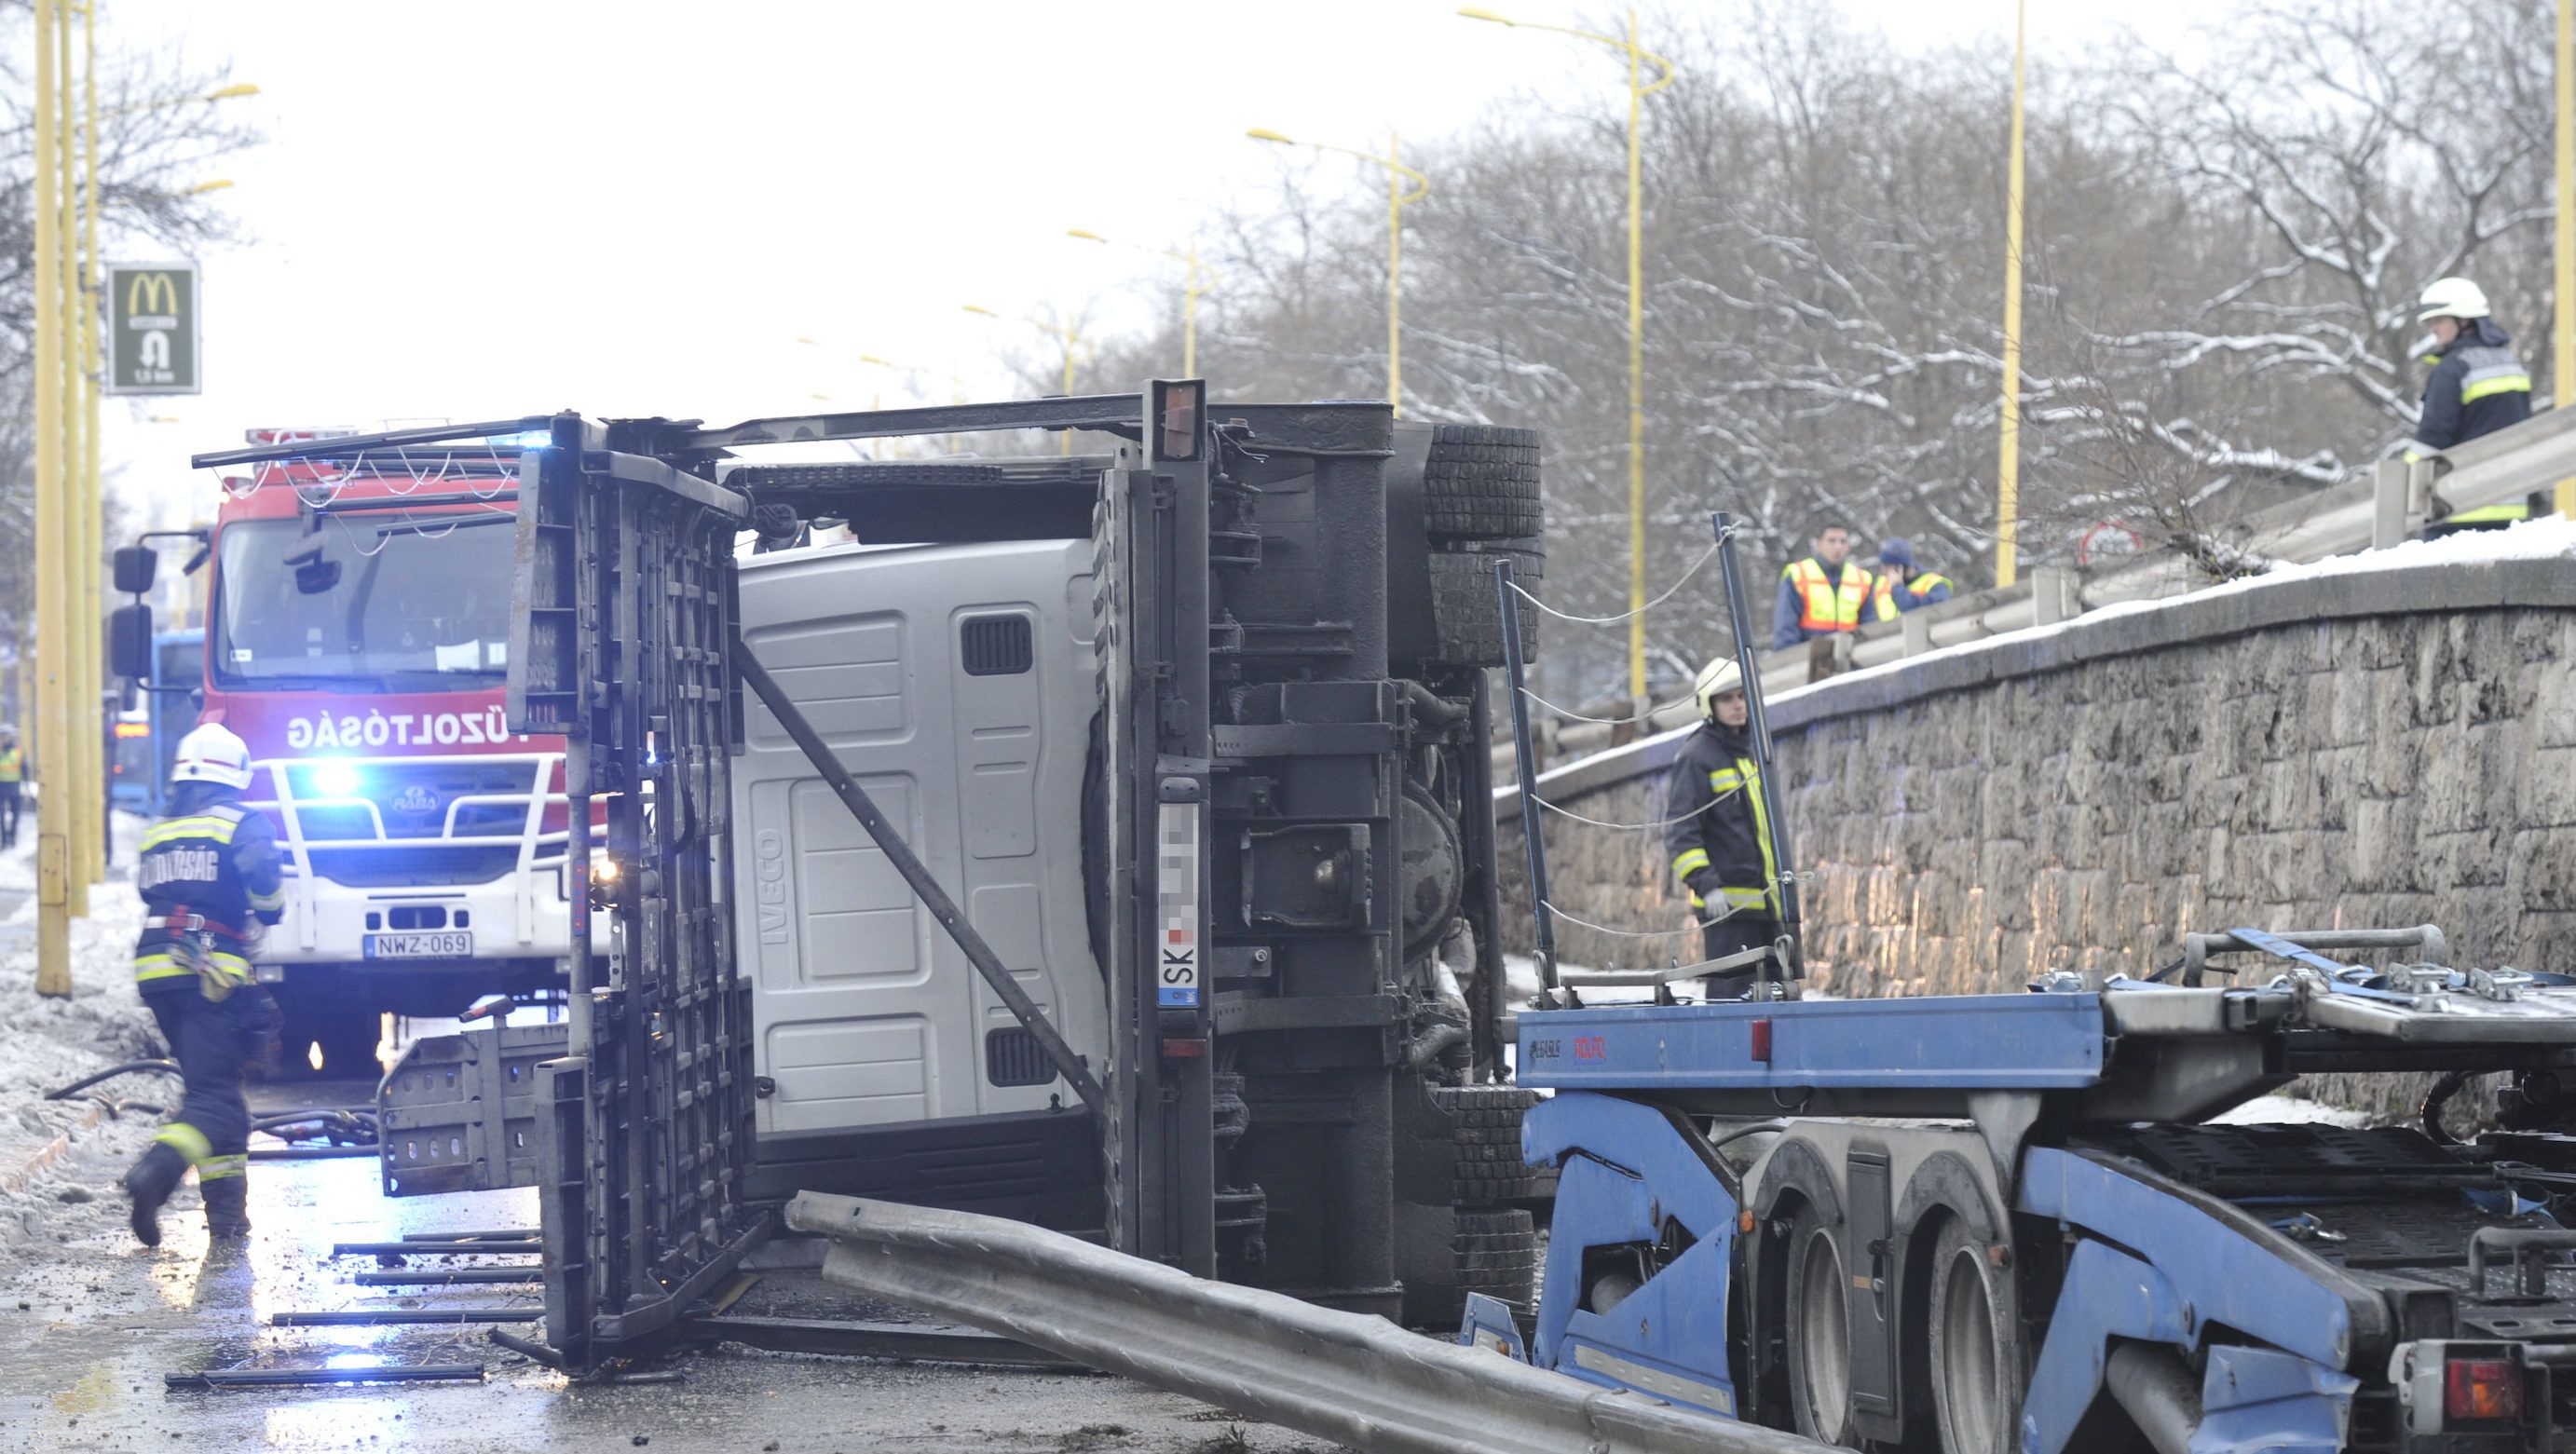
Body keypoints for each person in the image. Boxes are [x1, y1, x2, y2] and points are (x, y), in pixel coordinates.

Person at [120, 722, 285, 1247]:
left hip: (157, 969)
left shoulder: (163, 826)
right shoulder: (242, 820)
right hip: (210, 973)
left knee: (219, 1100)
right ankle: (157, 1172)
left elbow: (152, 888)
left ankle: (227, 1224)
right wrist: (268, 906)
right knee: (214, 1099)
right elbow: (262, 871)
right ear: (235, 774)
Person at [1662, 657, 1787, 999]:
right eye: (1726, 698)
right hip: (1729, 914)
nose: (1737, 705)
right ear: (1708, 705)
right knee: (1733, 1007)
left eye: (1741, 696)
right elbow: (1681, 831)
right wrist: (1706, 885)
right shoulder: (1698, 756)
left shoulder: (1752, 751)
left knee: (1781, 1009)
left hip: (1771, 910)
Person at [2406, 277, 2547, 535]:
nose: (2432, 329)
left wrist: (2405, 485)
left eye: (2438, 320)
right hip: (2511, 510)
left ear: (2464, 321)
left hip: (2459, 508)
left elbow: (2433, 436)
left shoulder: (2453, 368)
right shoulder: (2511, 363)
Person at [1771, 524, 1874, 649]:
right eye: (1831, 541)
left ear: (1848, 547)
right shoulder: (1798, 575)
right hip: (1809, 657)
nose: (1838, 547)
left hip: (1851, 655)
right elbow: (1785, 625)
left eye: (1843, 541)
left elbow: (1870, 625)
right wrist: (1790, 659)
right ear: (1819, 545)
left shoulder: (1862, 579)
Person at [1869, 538, 1952, 619]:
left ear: (1901, 567)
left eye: (1887, 566)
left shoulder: (1934, 584)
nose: (1882, 570)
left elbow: (1914, 611)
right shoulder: (1882, 584)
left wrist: (1898, 588)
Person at [0, 723, 23, 849]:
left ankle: (12, 836)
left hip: (15, 787)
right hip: (1, 787)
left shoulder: (18, 750)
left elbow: (24, 768)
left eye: (5, 736)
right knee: (1, 815)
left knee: (16, 814)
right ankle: (4, 839)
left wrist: (26, 786)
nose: (3, 739)